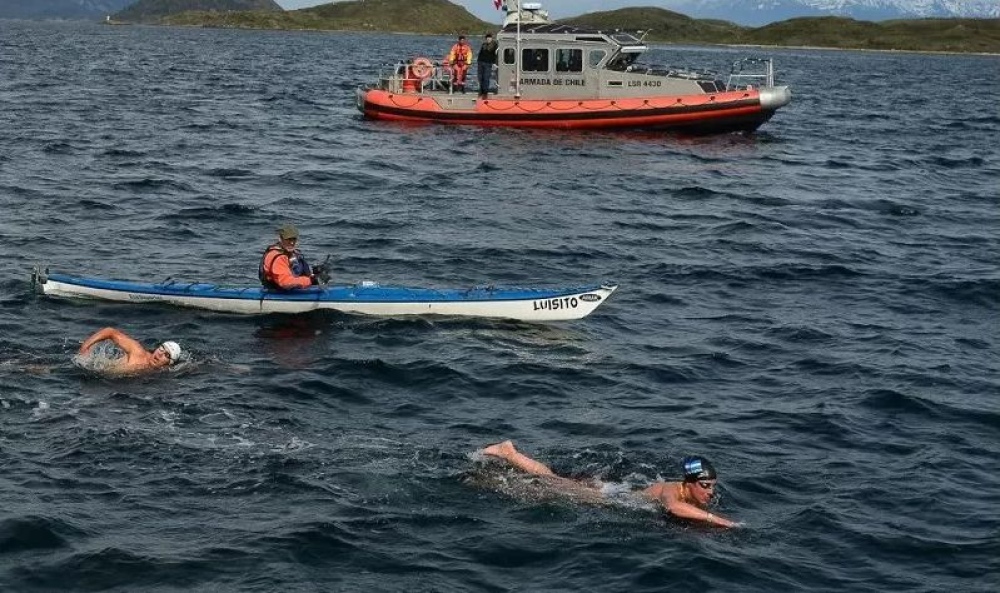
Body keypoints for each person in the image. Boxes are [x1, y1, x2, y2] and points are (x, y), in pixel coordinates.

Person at [480, 440, 739, 528]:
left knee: (552, 480)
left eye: (713, 486)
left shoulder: (687, 492)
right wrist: (718, 520)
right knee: (547, 485)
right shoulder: (673, 490)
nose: (711, 491)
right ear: (690, 483)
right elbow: (673, 508)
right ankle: (507, 455)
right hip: (608, 499)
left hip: (616, 492)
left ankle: (509, 454)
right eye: (705, 486)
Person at [78, 327, 182, 374]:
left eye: (166, 355)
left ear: (168, 364)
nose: (160, 354)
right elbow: (110, 331)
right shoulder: (138, 352)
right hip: (90, 371)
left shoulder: (160, 372)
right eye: (161, 348)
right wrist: (85, 346)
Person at [259, 224, 326, 290]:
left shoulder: (293, 253)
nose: (292, 242)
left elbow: (300, 274)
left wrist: (316, 275)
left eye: (294, 239)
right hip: (278, 294)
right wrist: (312, 280)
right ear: (280, 239)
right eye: (288, 239)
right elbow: (286, 283)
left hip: (295, 291)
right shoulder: (277, 257)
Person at [476, 32, 498, 98]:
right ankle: (481, 91)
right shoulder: (483, 44)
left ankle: (485, 92)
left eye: (490, 37)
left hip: (488, 63)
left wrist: (494, 63)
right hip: (480, 62)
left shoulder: (495, 45)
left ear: (492, 38)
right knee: (480, 78)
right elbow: (480, 53)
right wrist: (478, 61)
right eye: (487, 37)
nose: (488, 39)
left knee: (486, 78)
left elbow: (496, 55)